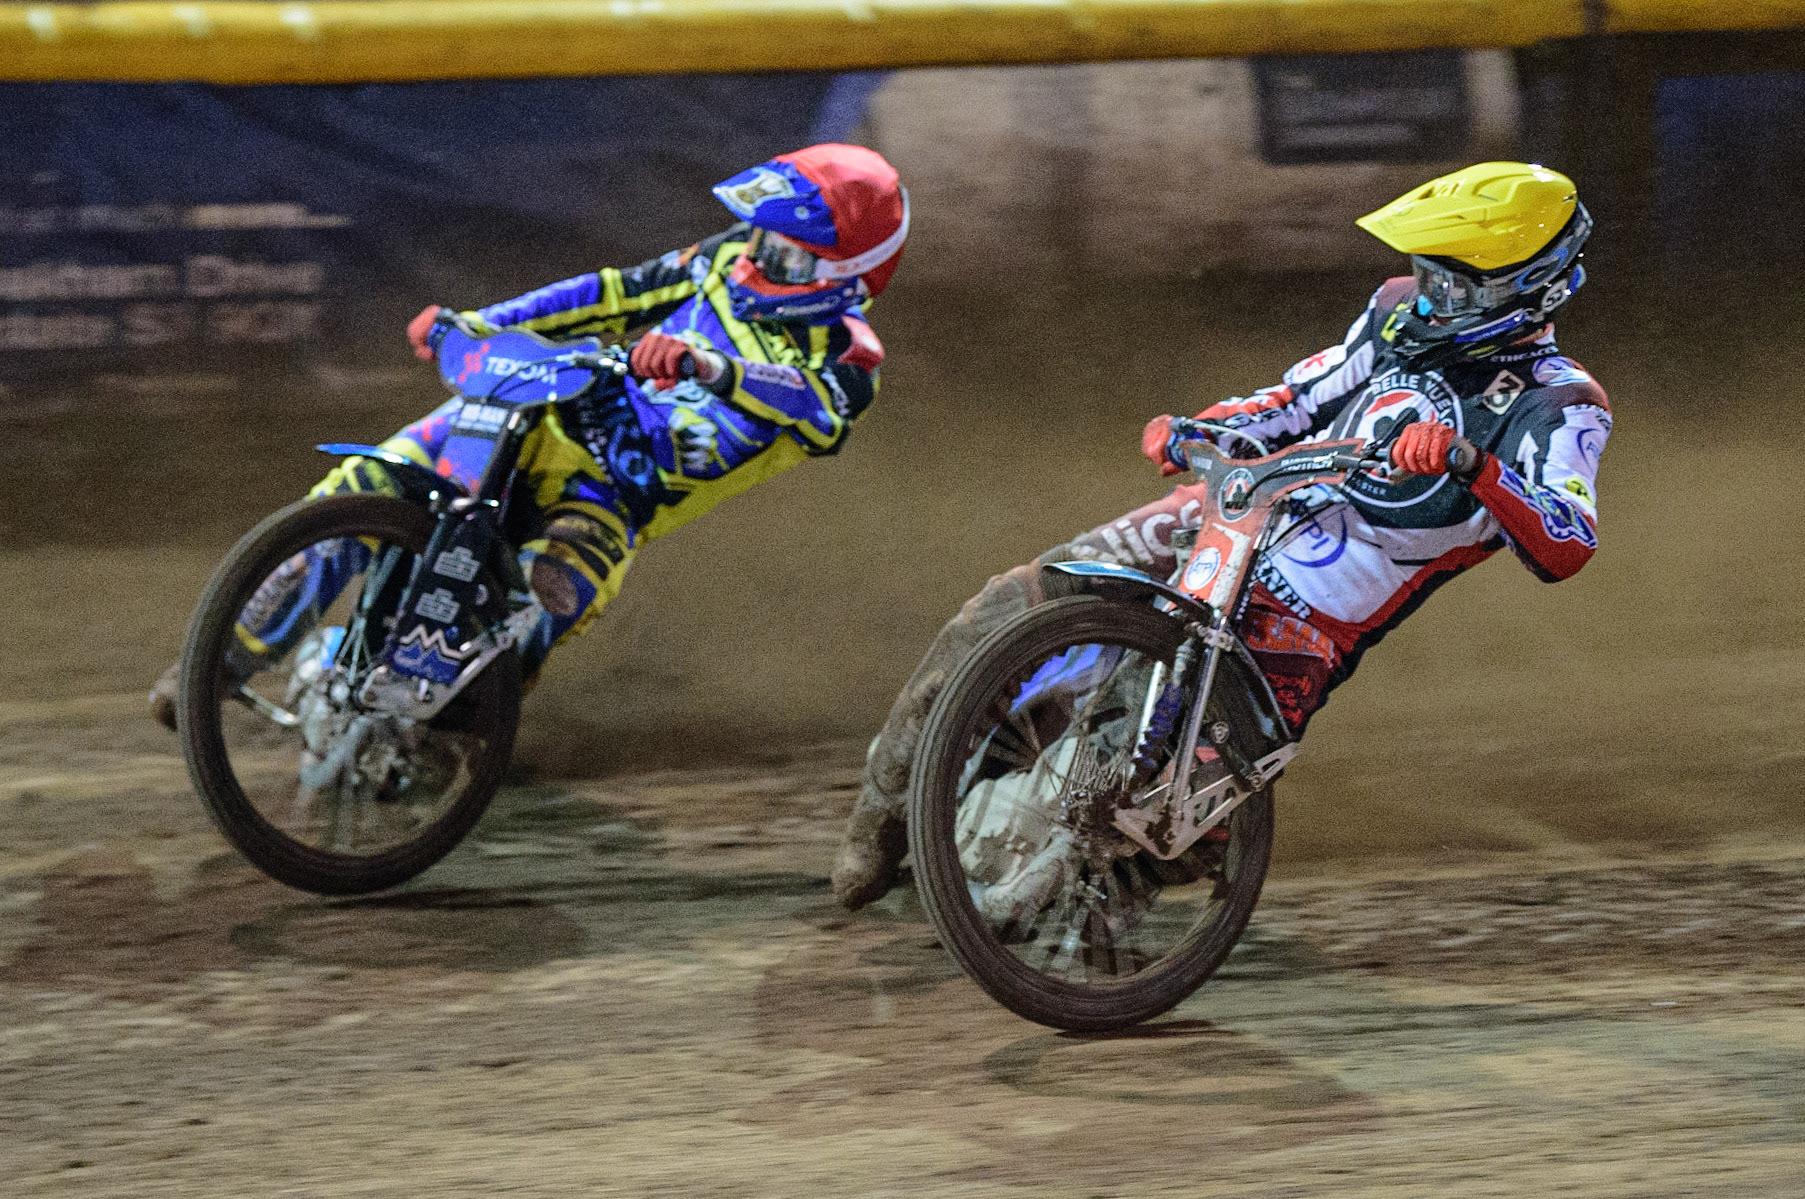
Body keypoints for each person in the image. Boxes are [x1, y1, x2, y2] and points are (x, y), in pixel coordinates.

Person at [831, 161, 1611, 909]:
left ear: (1527, 288)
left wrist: (1473, 465)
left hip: (1307, 613)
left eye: (1454, 283)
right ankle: (883, 810)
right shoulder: (1393, 313)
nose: (1431, 297)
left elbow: (1567, 541)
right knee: (1007, 606)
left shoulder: (1559, 403)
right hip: (1232, 511)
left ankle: (1079, 900)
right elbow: (1296, 399)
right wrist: (1202, 429)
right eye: (1427, 272)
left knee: (1149, 803)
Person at [150, 142, 907, 728]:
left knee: (547, 601)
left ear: (843, 275)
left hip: (610, 500)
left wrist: (709, 366)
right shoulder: (723, 258)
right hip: (541, 415)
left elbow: (808, 403)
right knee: (367, 485)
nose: (756, 257)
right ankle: (216, 663)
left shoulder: (848, 363)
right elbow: (611, 294)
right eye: (762, 235)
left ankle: (457, 740)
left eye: (785, 251)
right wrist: (481, 324)